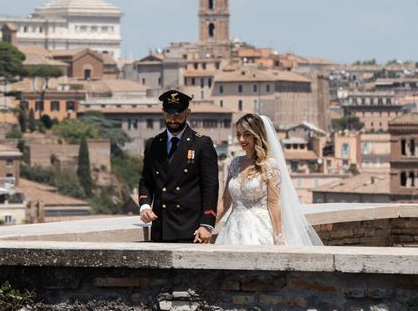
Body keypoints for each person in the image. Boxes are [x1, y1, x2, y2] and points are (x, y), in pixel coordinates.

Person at [215, 113, 323, 246]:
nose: (241, 139)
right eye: (238, 134)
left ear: (257, 135)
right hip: (232, 230)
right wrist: (207, 225)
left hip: (260, 231)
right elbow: (225, 201)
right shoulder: (235, 163)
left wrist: (279, 238)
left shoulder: (270, 165)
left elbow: (274, 204)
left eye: (247, 134)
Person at [138, 89, 219, 243]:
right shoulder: (153, 144)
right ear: (163, 112)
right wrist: (145, 206)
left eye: (178, 115)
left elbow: (210, 186)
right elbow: (145, 181)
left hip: (190, 228)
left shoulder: (202, 143)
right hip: (160, 227)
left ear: (188, 113)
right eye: (169, 114)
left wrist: (207, 224)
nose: (173, 119)